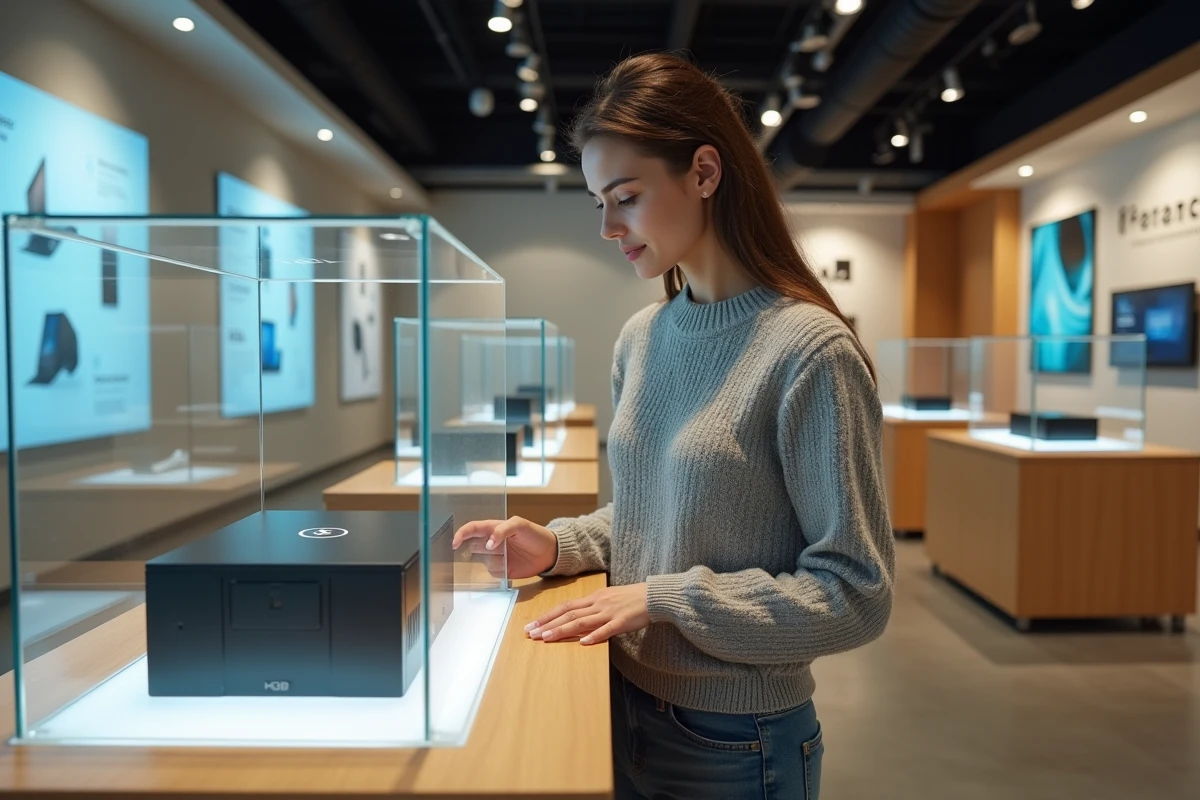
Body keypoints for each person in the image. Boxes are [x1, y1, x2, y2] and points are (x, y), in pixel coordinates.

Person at [453, 52, 895, 800]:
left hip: (735, 742)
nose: (606, 226)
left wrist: (667, 599)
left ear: (704, 173)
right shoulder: (642, 337)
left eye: (624, 196)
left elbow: (856, 593)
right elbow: (649, 513)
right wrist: (558, 546)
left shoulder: (809, 351)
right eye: (597, 202)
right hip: (619, 700)